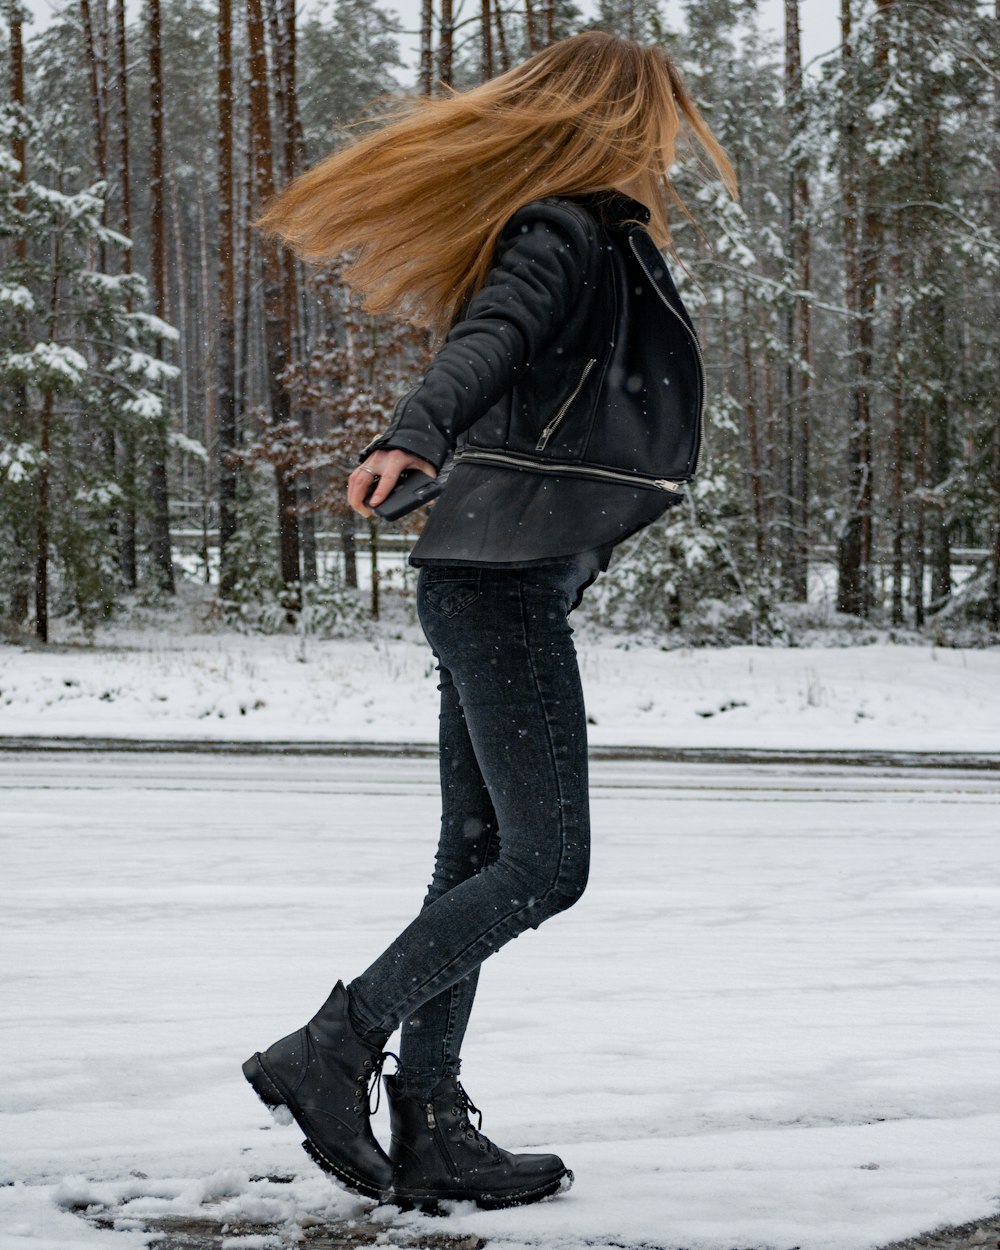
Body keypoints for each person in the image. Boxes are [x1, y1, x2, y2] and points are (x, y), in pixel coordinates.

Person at [242, 29, 737, 1213]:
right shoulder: (562, 226)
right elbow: (489, 337)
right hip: (499, 580)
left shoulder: (593, 231)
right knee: (544, 862)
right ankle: (336, 1040)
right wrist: (414, 428)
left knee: (476, 857)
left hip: (499, 571)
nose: (669, 140)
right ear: (619, 116)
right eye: (658, 117)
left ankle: (432, 1121)